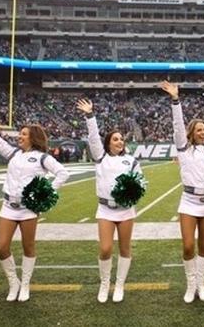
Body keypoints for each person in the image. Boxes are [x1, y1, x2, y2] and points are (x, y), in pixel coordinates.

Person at [0, 107, 70, 302]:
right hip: (8, 206)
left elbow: (63, 173)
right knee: (2, 247)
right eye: (20, 133)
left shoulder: (43, 157)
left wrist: (46, 192)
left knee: (28, 247)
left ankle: (25, 284)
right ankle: (14, 283)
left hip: (29, 209)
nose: (20, 136)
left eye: (24, 134)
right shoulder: (13, 154)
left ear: (33, 138)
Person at [160, 81, 204, 303]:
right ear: (191, 132)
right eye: (199, 130)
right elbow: (177, 126)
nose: (203, 132)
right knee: (188, 245)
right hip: (188, 201)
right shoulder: (184, 148)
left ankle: (201, 284)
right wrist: (175, 100)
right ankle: (190, 285)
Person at [77, 98, 141, 303]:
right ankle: (105, 283)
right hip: (105, 210)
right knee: (105, 249)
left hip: (125, 210)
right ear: (108, 143)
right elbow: (93, 138)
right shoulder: (100, 158)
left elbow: (139, 182)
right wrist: (90, 116)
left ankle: (120, 284)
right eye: (115, 139)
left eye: (121, 139)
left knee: (124, 248)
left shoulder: (131, 161)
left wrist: (133, 192)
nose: (120, 142)